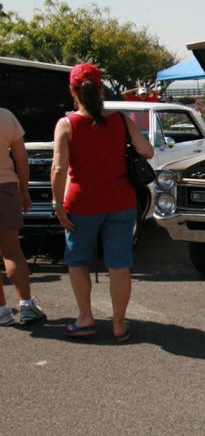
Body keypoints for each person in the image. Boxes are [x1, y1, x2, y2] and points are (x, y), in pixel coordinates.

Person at [51, 63, 154, 342]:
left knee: (77, 262)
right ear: (100, 89)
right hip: (121, 202)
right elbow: (147, 151)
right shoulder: (121, 119)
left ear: (73, 92)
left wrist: (57, 205)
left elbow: (59, 169)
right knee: (119, 265)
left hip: (81, 204)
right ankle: (119, 325)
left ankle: (85, 318)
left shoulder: (67, 124)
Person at [0, 107, 46, 326]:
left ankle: (2, 311)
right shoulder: (6, 116)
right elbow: (21, 158)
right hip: (5, 188)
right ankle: (27, 305)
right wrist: (24, 190)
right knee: (11, 251)